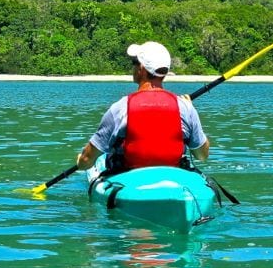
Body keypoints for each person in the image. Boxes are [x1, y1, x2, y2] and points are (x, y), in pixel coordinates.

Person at [76, 41, 210, 174]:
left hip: (129, 182)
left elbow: (87, 160)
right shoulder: (185, 108)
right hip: (172, 178)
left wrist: (80, 161)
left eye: (134, 63)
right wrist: (191, 109)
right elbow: (202, 155)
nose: (133, 68)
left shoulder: (120, 108)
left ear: (142, 69)